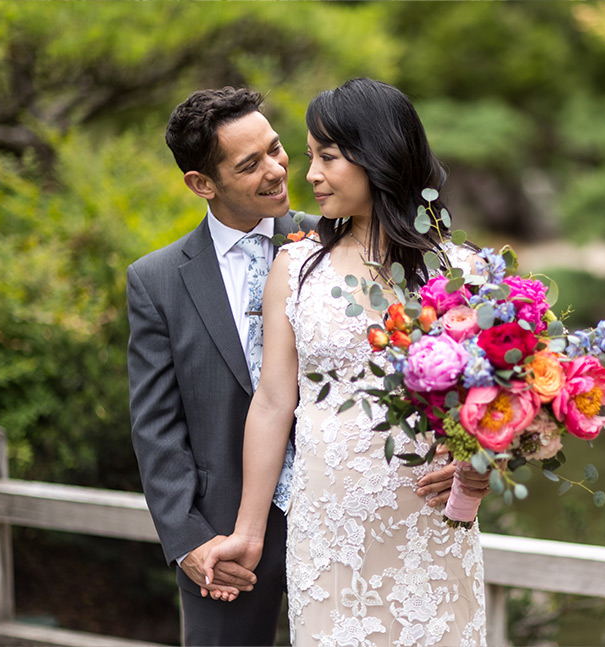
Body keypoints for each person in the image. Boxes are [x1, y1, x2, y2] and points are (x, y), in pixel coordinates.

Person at [127, 86, 466, 646]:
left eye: (278, 148)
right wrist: (188, 540)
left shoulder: (340, 237)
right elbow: (154, 425)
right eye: (250, 163)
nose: (280, 169)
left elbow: (433, 373)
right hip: (224, 531)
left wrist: (461, 450)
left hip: (356, 517)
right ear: (201, 183)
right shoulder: (157, 281)